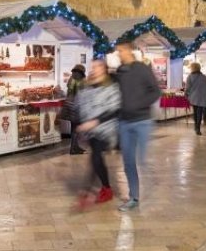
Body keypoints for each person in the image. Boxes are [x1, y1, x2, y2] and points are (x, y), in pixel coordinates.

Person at [114, 41, 161, 211]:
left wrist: (139, 104)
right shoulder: (120, 71)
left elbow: (155, 91)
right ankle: (134, 197)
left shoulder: (141, 68)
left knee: (142, 160)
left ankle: (152, 183)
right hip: (125, 122)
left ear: (128, 51)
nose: (118, 54)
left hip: (142, 121)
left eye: (120, 51)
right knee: (128, 161)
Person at [76, 60, 120, 206]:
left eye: (98, 66)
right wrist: (81, 123)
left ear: (104, 69)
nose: (94, 69)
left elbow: (114, 110)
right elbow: (81, 105)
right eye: (93, 67)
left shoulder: (111, 87)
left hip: (106, 129)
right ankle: (104, 188)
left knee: (95, 157)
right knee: (96, 159)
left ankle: (89, 191)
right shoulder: (88, 86)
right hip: (90, 130)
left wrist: (95, 121)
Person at [185, 62, 206, 135]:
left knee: (195, 112)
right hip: (203, 97)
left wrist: (186, 94)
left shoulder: (189, 77)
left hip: (194, 97)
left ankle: (196, 127)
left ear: (192, 68)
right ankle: (198, 128)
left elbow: (187, 88)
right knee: (200, 113)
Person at [66, 64, 87, 155]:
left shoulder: (71, 79)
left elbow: (69, 91)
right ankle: (73, 149)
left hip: (70, 105)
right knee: (76, 128)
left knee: (73, 128)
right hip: (77, 106)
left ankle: (75, 147)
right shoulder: (81, 80)